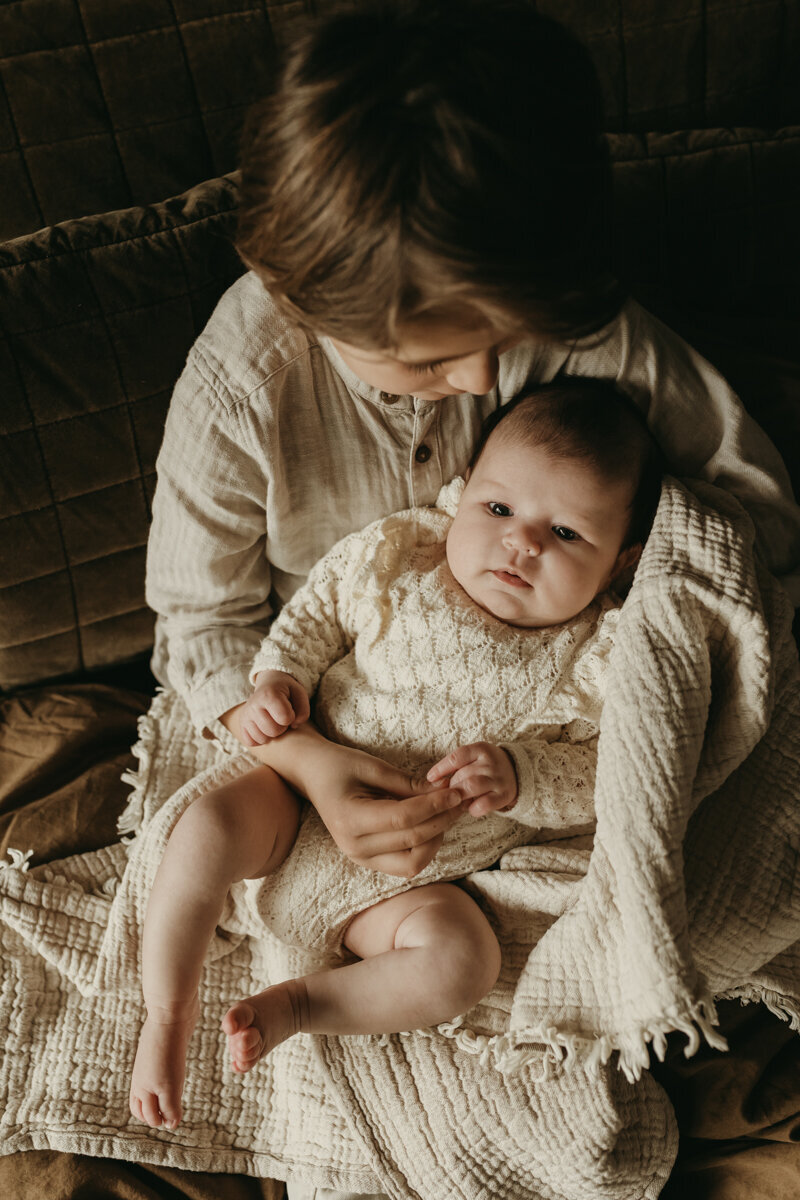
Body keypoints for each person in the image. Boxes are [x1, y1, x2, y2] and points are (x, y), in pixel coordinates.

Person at [142, 0, 800, 1191]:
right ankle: (168, 999)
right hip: (318, 723)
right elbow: (203, 629)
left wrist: (623, 598)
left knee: (503, 963)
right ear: (296, 300)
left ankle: (333, 1002)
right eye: (431, 363)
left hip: (491, 801)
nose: (488, 382)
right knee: (203, 828)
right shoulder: (249, 377)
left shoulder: (568, 324)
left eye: (503, 340)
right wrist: (306, 763)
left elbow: (748, 518)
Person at [130, 380, 664, 1129]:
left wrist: (523, 777)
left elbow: (607, 771)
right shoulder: (403, 553)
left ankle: (300, 1004)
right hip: (291, 803)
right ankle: (167, 1016)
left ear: (618, 565)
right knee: (204, 828)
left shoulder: (597, 655)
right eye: (500, 509)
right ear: (461, 492)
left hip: (409, 885)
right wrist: (280, 678)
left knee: (462, 963)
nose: (523, 543)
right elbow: (316, 610)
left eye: (569, 534)